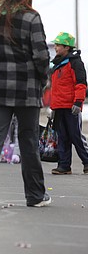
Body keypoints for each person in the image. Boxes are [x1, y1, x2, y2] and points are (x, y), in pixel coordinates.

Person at [0, 0, 51, 209]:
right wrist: (42, 79)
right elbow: (41, 56)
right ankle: (35, 196)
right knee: (28, 140)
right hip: (26, 90)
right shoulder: (31, 17)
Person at [49, 32, 88, 175]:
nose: (56, 47)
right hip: (59, 106)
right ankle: (64, 166)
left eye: (58, 45)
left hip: (71, 106)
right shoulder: (57, 64)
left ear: (67, 47)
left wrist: (78, 102)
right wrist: (53, 107)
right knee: (62, 137)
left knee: (75, 136)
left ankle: (87, 162)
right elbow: (55, 88)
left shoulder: (75, 62)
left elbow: (81, 84)